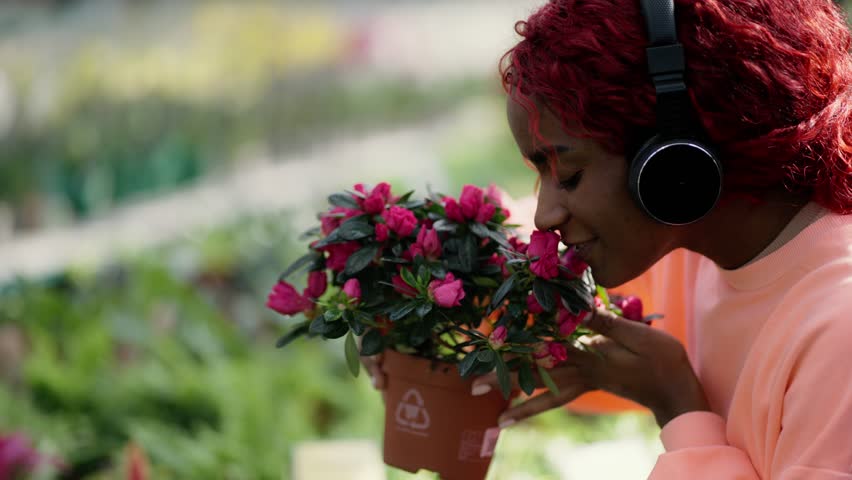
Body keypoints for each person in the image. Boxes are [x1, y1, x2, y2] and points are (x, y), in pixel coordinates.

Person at [369, 0, 852, 477]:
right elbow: (554, 308)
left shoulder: (837, 333)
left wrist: (679, 408)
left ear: (672, 164)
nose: (545, 215)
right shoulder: (698, 248)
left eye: (570, 175)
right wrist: (413, 307)